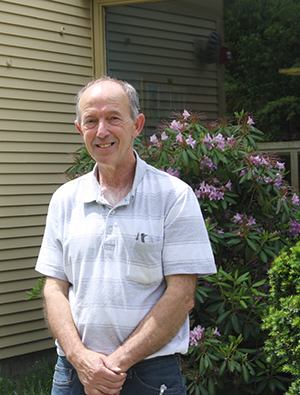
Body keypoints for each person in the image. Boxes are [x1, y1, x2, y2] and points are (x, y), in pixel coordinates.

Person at [35, 76, 216, 395]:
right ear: (80, 130)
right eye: (91, 121)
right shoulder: (64, 200)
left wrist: (113, 365)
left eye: (113, 118)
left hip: (148, 374)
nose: (101, 131)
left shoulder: (173, 196)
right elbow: (54, 288)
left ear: (137, 125)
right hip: (73, 373)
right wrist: (81, 360)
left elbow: (181, 295)